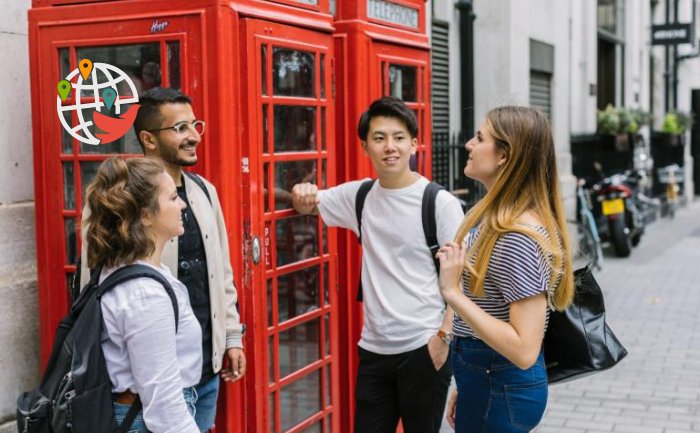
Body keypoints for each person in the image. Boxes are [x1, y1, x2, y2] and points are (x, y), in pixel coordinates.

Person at [291, 96, 464, 433]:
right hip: (373, 348)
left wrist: (443, 337)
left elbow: (464, 279)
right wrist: (301, 192)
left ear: (414, 144)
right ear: (365, 146)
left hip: (424, 346)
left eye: (399, 137)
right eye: (379, 138)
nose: (390, 147)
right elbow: (307, 204)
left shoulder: (439, 203)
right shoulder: (359, 196)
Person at [80, 88, 245, 432]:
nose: (194, 135)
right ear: (148, 139)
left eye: (195, 124)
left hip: (203, 365)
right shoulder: (120, 204)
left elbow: (221, 273)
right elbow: (92, 289)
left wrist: (231, 337)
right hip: (146, 383)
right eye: (181, 128)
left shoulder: (203, 191)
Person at [435, 106, 575, 433]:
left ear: (503, 156)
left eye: (480, 138)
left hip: (499, 384)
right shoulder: (495, 216)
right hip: (488, 380)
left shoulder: (516, 237)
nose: (468, 144)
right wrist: (470, 385)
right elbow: (493, 312)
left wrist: (453, 293)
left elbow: (524, 349)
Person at [85, 157, 200, 432]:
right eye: (173, 197)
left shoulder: (125, 268)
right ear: (146, 215)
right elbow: (164, 410)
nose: (182, 204)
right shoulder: (145, 296)